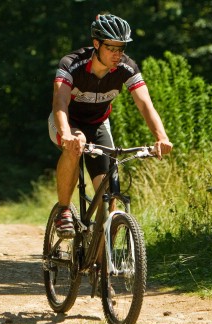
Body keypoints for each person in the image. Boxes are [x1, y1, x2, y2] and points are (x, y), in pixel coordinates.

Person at [48, 14, 173, 238]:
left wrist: (161, 137)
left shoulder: (127, 67)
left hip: (98, 124)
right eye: (111, 48)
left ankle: (101, 263)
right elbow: (60, 102)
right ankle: (64, 210)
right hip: (68, 122)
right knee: (77, 143)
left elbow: (145, 104)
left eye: (121, 48)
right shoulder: (72, 64)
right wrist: (66, 134)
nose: (117, 55)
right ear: (96, 44)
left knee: (109, 202)